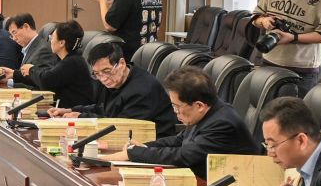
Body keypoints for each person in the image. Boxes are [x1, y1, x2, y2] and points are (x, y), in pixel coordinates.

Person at [95, 67, 260, 178]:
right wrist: (145, 147)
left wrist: (133, 154)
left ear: (199, 106)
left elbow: (184, 156)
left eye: (177, 106)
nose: (174, 112)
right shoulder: (208, 110)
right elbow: (179, 140)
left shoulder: (222, 123)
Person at [56, 39, 179, 136]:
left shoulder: (142, 90)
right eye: (97, 73)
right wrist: (71, 111)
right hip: (125, 137)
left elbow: (119, 126)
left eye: (107, 71)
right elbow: (105, 109)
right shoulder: (114, 80)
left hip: (152, 143)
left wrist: (80, 117)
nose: (103, 78)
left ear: (121, 63)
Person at [29, 21, 99, 111]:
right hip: (62, 111)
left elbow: (47, 81)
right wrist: (18, 74)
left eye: (52, 37)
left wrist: (31, 70)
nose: (50, 41)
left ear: (62, 43)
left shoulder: (72, 62)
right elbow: (48, 74)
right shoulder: (64, 59)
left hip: (74, 114)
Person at [8, 14, 55, 80]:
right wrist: (12, 75)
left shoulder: (43, 50)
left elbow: (41, 82)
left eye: (14, 32)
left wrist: (10, 82)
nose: (14, 38)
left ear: (26, 26)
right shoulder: (29, 48)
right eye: (11, 35)